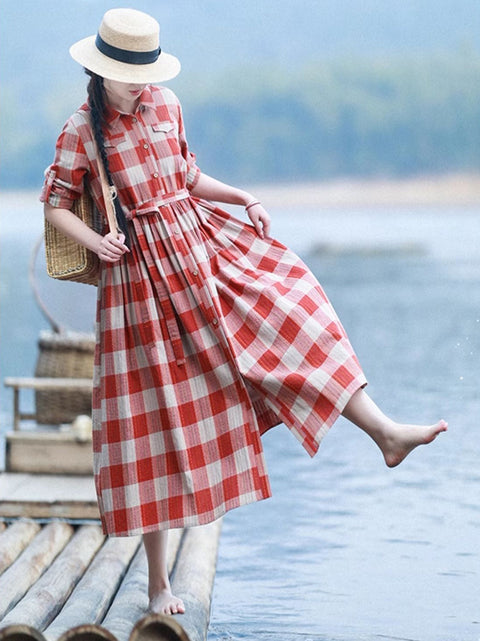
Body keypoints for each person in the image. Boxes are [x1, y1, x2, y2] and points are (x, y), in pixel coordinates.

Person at [41, 8, 447, 617]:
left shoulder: (165, 105)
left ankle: (383, 431)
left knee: (293, 315)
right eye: (127, 73)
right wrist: (97, 242)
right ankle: (157, 584)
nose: (138, 83)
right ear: (100, 72)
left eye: (144, 71)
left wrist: (243, 196)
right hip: (138, 289)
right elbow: (56, 204)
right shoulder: (80, 130)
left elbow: (189, 176)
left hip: (200, 252)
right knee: (156, 416)